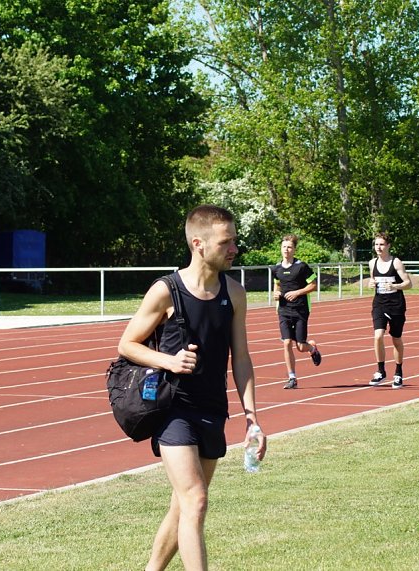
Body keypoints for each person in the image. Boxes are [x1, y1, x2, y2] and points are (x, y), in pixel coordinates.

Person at [117, 205, 266, 571]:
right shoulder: (166, 291)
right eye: (226, 242)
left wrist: (252, 419)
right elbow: (127, 345)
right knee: (196, 499)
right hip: (173, 409)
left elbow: (241, 358)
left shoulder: (235, 292)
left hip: (212, 408)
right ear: (198, 244)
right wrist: (169, 361)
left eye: (235, 241)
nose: (234, 249)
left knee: (183, 505)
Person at [273, 234, 322, 389]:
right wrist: (275, 294)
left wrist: (297, 292)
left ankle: (312, 348)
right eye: (284, 247)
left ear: (294, 249)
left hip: (300, 310)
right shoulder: (276, 268)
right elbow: (277, 285)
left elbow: (313, 285)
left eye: (289, 247)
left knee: (300, 347)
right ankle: (292, 378)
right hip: (283, 310)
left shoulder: (301, 267)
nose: (286, 250)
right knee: (287, 342)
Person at [367, 231, 412, 389]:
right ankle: (380, 371)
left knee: (396, 338)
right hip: (379, 303)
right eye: (376, 244)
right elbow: (372, 279)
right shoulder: (372, 263)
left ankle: (398, 372)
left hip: (396, 305)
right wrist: (370, 283)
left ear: (388, 246)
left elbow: (408, 283)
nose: (378, 247)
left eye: (381, 244)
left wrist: (395, 286)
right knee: (378, 335)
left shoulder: (396, 262)